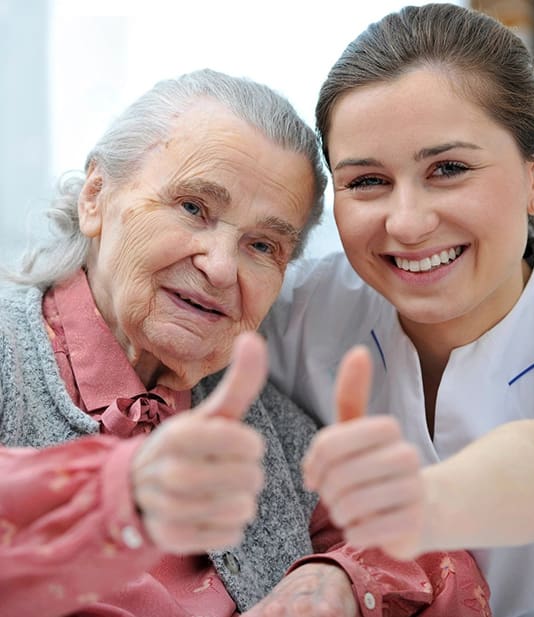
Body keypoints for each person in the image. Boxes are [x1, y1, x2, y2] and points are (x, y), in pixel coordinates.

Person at [0, 68, 490, 617]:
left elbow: (437, 557)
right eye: (192, 208)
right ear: (96, 197)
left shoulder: (263, 426)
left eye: (262, 245)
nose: (219, 267)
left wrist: (337, 581)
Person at [262, 4, 534, 617]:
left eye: (449, 169)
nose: (407, 223)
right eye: (366, 182)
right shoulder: (299, 309)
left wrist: (405, 514)